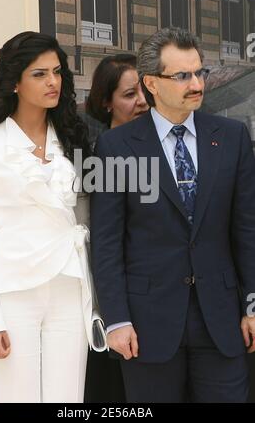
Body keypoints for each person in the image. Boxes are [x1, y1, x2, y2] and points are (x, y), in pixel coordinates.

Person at [90, 27, 255, 403]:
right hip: (147, 326)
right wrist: (116, 319)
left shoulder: (232, 137)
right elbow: (107, 241)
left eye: (200, 72)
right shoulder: (115, 147)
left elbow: (248, 230)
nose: (196, 83)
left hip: (222, 321)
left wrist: (253, 304)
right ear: (152, 82)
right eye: (182, 75)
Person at [0, 31, 93, 403]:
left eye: (56, 72)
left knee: (68, 403)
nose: (52, 81)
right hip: (13, 293)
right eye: (39, 74)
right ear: (14, 81)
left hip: (69, 287)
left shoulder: (71, 139)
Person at [77, 54, 149, 403]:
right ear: (106, 102)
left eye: (144, 91)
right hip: (112, 303)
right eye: (129, 94)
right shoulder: (94, 158)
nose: (141, 102)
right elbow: (101, 238)